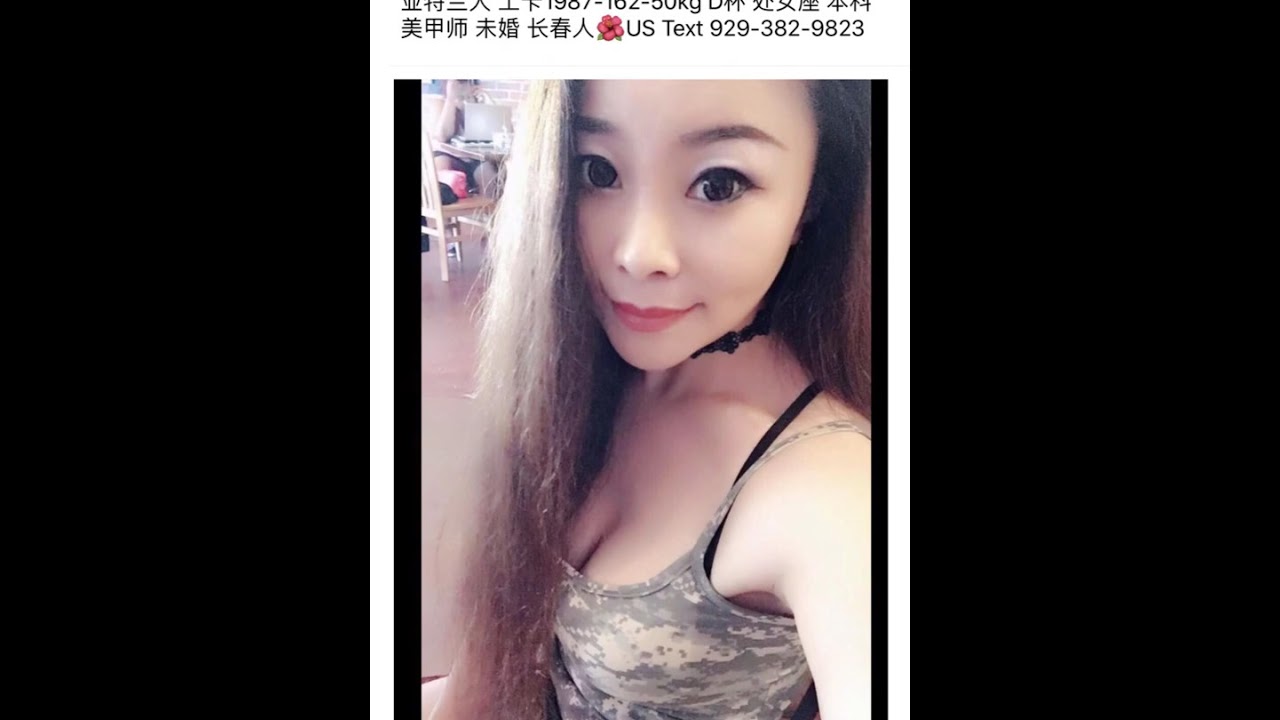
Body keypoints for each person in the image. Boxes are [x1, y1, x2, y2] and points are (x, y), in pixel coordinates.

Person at [425, 80, 872, 720]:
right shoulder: (581, 372)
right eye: (597, 171)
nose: (639, 255)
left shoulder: (833, 484)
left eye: (718, 184)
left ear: (812, 200)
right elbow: (482, 683)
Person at [425, 79, 500, 199]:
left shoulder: (481, 97)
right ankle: (445, 207)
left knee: (487, 174)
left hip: (475, 157)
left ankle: (485, 209)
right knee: (442, 164)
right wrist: (451, 99)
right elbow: (442, 136)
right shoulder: (439, 100)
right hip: (448, 154)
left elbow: (489, 141)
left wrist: (477, 105)